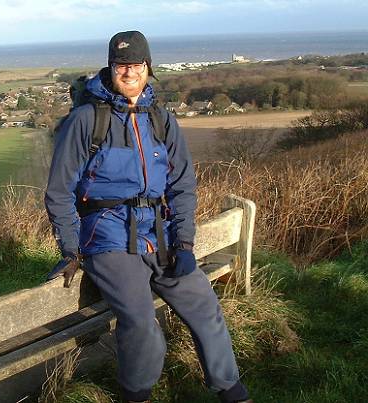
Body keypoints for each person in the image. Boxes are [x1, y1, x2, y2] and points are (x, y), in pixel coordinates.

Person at [45, 30, 252, 403]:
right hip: (106, 237)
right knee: (142, 324)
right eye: (121, 65)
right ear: (110, 68)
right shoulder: (87, 120)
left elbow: (182, 185)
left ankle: (232, 391)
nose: (129, 72)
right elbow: (59, 190)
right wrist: (71, 248)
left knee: (205, 306)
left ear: (148, 67)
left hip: (160, 234)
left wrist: (185, 243)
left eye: (136, 65)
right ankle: (135, 395)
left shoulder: (161, 119)